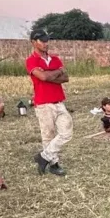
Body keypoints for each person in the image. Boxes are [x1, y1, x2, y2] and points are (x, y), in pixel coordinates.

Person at [26, 31, 71, 176]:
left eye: (46, 41)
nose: (46, 44)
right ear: (34, 42)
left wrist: (49, 74)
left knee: (66, 132)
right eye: (42, 41)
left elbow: (65, 78)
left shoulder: (55, 59)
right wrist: (56, 72)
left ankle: (43, 156)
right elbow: (43, 77)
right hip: (43, 103)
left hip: (58, 100)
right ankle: (54, 164)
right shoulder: (31, 60)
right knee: (48, 134)